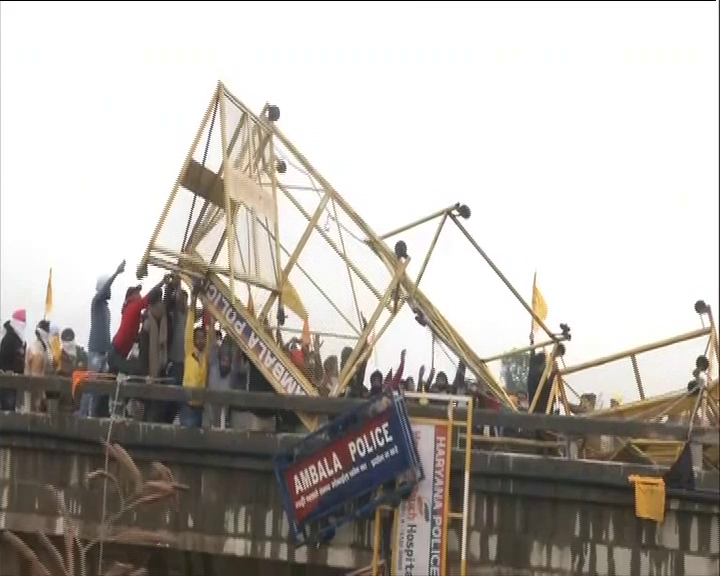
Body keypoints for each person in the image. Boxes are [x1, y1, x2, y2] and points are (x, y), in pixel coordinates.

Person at [81, 260, 125, 417]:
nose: (110, 290)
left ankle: (93, 416)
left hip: (103, 352)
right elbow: (105, 288)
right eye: (108, 287)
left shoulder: (106, 307)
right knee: (91, 386)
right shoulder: (97, 302)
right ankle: (84, 416)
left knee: (100, 387)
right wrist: (116, 273)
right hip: (95, 352)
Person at [137, 287, 169, 422]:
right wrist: (146, 375)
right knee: (150, 409)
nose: (162, 305)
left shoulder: (161, 321)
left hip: (160, 371)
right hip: (149, 373)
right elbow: (143, 353)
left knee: (158, 408)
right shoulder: (147, 325)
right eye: (159, 302)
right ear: (153, 306)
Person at [180, 289, 209, 428]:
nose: (200, 340)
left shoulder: (206, 356)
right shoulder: (189, 351)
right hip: (187, 404)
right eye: (197, 337)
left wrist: (206, 305)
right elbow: (189, 326)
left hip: (199, 406)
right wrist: (194, 298)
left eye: (203, 338)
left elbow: (208, 324)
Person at [0, 309, 27, 411]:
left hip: (15, 381)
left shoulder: (18, 339)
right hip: (7, 380)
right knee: (8, 410)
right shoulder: (9, 339)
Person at [25, 320, 54, 411]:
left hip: (34, 389)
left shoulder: (39, 347)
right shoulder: (38, 351)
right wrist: (42, 397)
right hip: (34, 393)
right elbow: (36, 378)